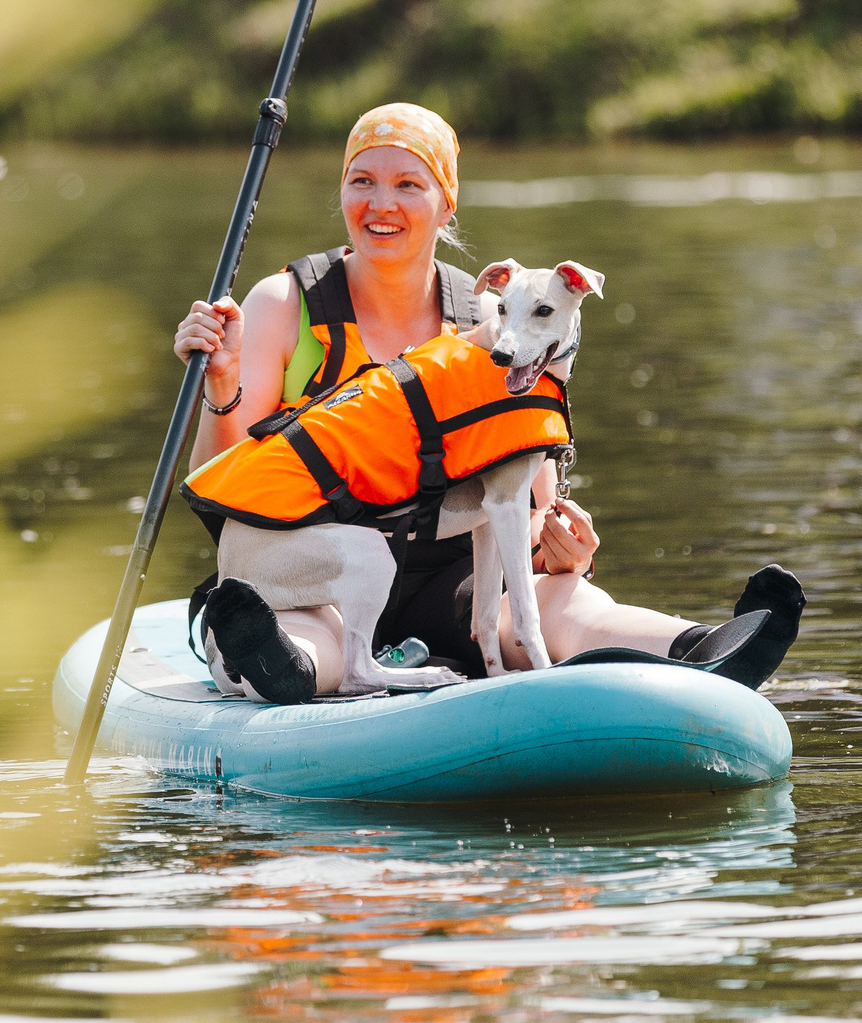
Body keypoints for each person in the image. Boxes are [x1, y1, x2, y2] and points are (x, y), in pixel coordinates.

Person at [173, 102, 804, 697]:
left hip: (449, 576)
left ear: (447, 204)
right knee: (319, 637)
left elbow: (524, 498)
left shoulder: (504, 320)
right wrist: (222, 389)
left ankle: (707, 649)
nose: (380, 203)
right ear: (341, 193)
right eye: (361, 181)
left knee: (570, 603)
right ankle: (275, 660)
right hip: (317, 565)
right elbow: (225, 487)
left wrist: (560, 551)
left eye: (408, 186)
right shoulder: (283, 304)